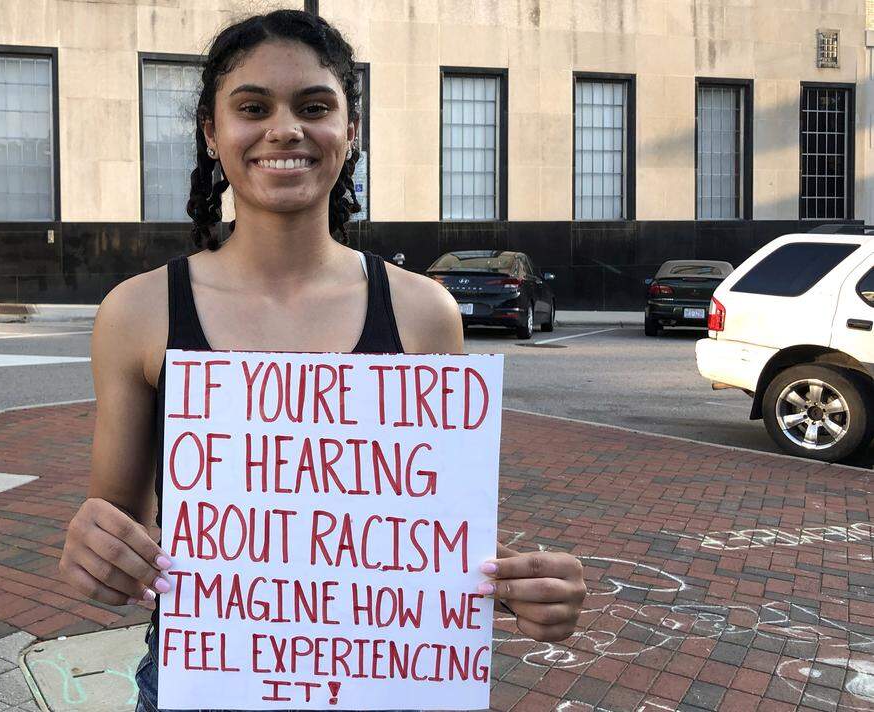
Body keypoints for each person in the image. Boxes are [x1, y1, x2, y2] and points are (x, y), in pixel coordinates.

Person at [59, 11, 586, 711]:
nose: (284, 129)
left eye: (314, 106)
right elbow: (118, 518)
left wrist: (525, 588)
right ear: (213, 135)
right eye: (253, 108)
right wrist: (97, 547)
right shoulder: (137, 313)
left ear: (350, 130)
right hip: (203, 684)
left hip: (382, 691)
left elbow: (419, 539)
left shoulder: (424, 314)